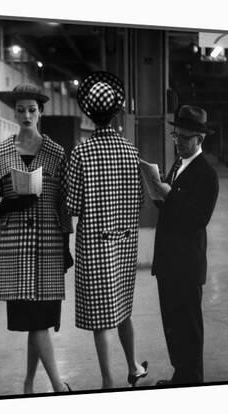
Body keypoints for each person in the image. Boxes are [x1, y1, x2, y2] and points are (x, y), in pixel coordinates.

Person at [0, 83, 73, 394]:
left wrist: (66, 245)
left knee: (41, 323)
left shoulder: (56, 153)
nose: (26, 115)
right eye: (21, 109)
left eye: (32, 110)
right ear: (14, 112)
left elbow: (63, 202)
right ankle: (58, 386)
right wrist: (8, 203)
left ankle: (29, 383)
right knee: (36, 323)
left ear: (41, 112)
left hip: (49, 245)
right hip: (17, 248)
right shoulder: (1, 153)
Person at [65, 71, 148, 389]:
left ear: (88, 112)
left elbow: (72, 205)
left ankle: (107, 380)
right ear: (116, 111)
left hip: (95, 244)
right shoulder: (130, 151)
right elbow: (140, 201)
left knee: (101, 315)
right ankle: (132, 366)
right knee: (123, 307)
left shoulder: (81, 153)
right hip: (125, 243)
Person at [151, 105, 219, 386]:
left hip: (186, 264)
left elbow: (197, 219)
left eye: (185, 137)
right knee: (172, 324)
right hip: (169, 260)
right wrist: (158, 191)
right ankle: (181, 375)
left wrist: (170, 197)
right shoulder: (178, 165)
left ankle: (192, 380)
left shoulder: (206, 174)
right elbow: (171, 208)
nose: (178, 141)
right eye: (176, 135)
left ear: (199, 139)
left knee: (188, 326)